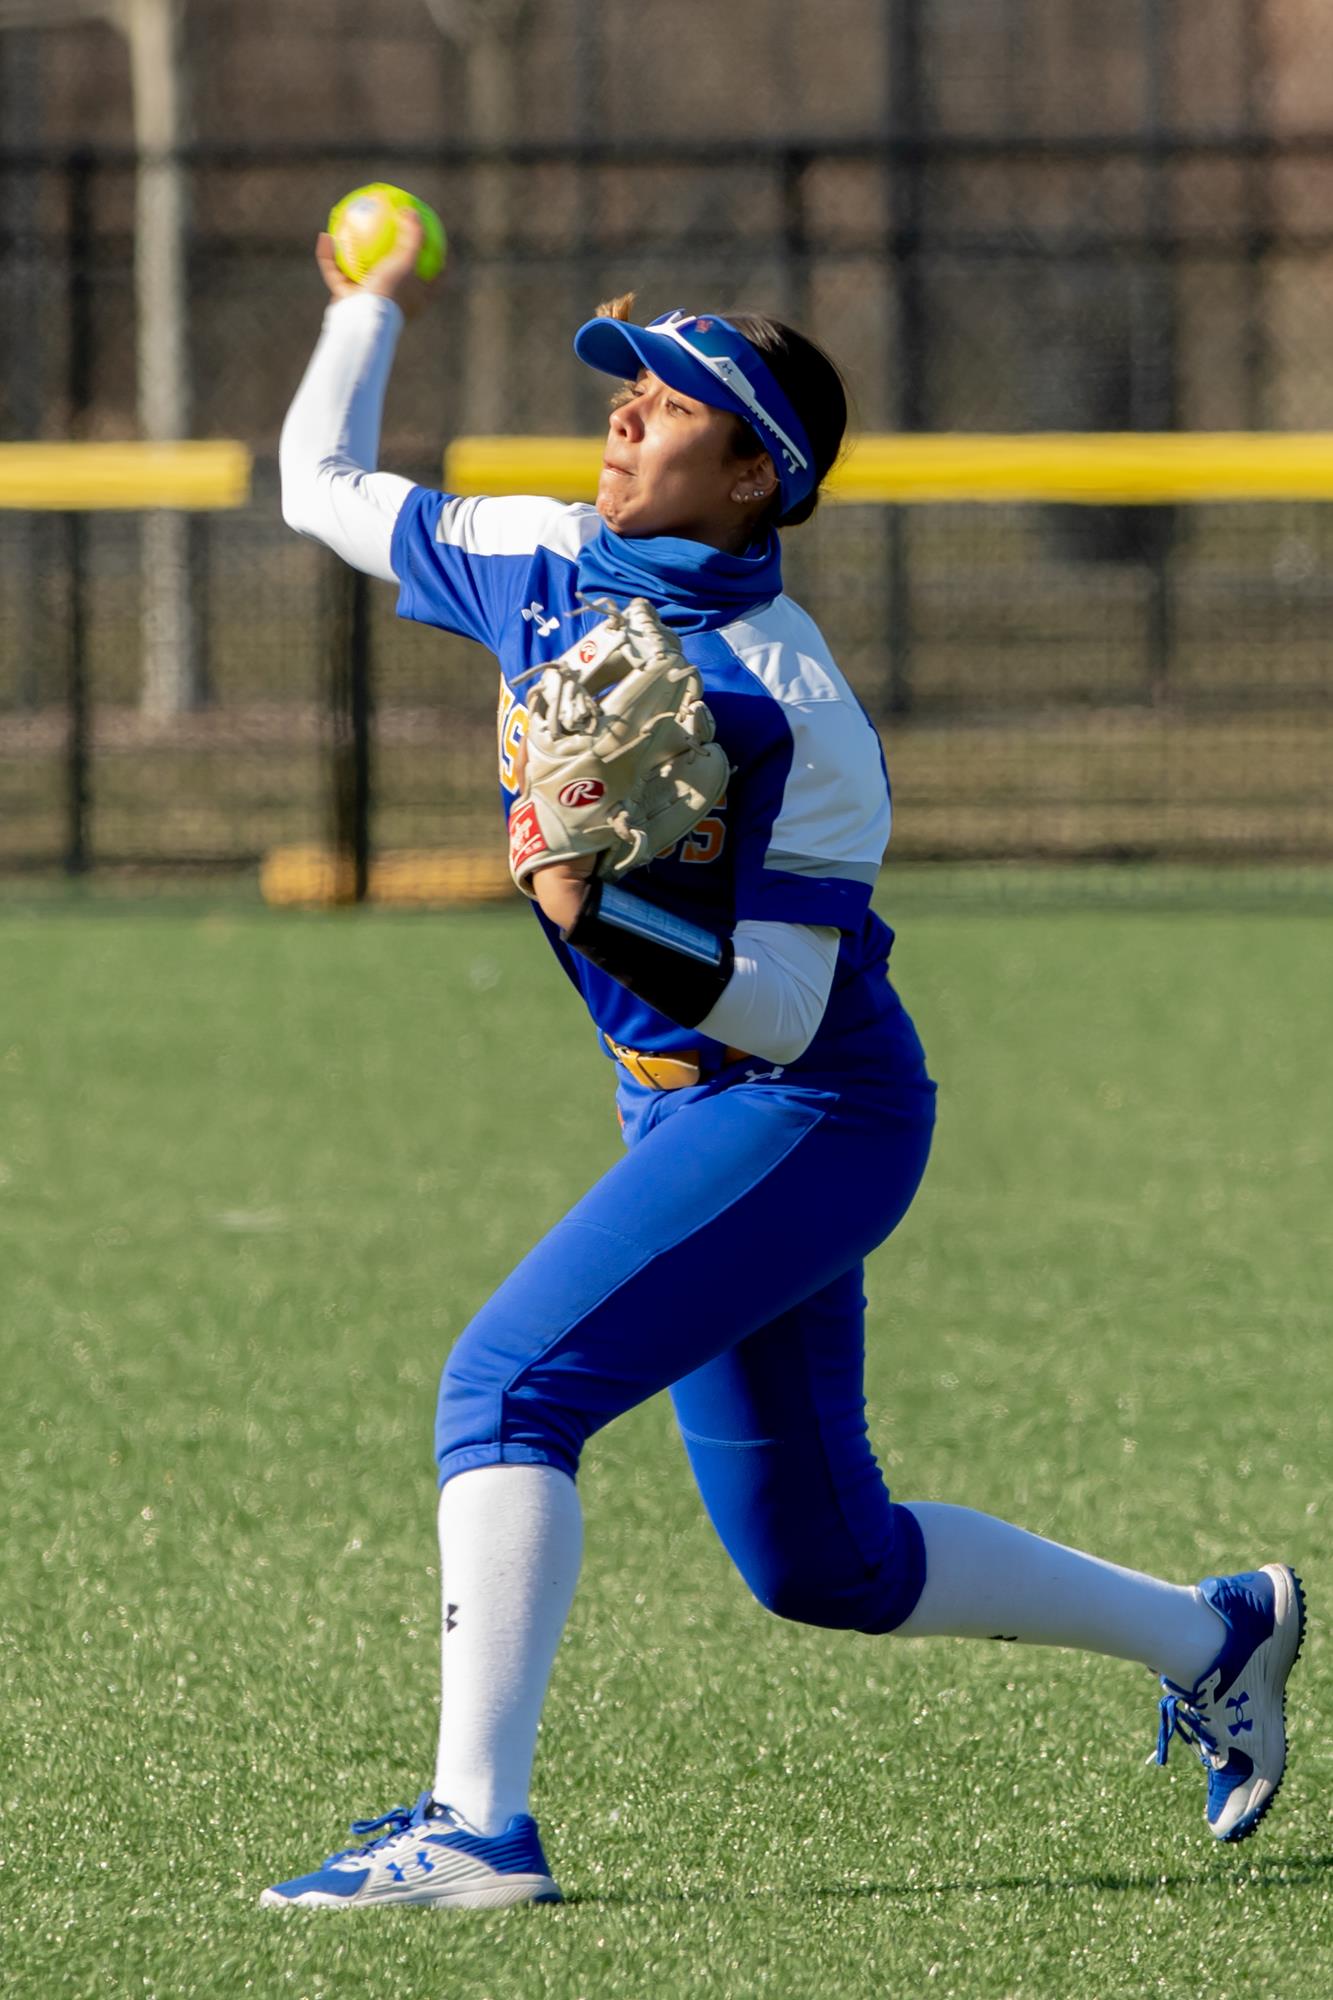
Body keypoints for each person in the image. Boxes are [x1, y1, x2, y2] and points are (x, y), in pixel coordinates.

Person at [262, 215, 1304, 1910]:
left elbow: (781, 1010)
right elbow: (316, 481)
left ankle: (474, 1832)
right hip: (674, 1105)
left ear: (754, 475)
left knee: (507, 1389)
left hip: (811, 1111)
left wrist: (597, 914)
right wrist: (362, 307)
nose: (616, 423)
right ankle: (1218, 1633)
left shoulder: (797, 709)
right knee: (825, 1564)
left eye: (662, 408)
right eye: (618, 396)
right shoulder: (530, 554)